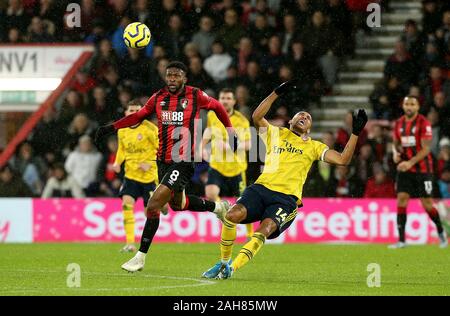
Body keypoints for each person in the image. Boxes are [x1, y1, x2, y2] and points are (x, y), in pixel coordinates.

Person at [202, 80, 368, 279]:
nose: (304, 116)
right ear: (290, 121)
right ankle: (223, 262)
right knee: (231, 216)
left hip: (285, 199)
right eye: (300, 115)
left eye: (308, 117)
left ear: (309, 128)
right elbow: (257, 117)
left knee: (264, 229)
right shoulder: (277, 133)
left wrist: (356, 134)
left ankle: (232, 269)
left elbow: (343, 159)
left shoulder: (314, 146)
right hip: (260, 189)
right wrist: (276, 92)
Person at [95, 61, 237, 272]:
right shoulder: (158, 98)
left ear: (184, 78)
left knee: (152, 206)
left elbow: (217, 107)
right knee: (178, 205)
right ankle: (218, 207)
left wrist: (230, 130)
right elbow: (138, 115)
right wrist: (112, 127)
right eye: (169, 75)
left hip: (184, 160)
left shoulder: (196, 95)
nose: (172, 79)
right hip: (162, 161)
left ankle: (140, 257)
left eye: (176, 75)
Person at [390, 96, 448, 249]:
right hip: (405, 169)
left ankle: (441, 233)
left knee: (427, 204)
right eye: (407, 104)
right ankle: (401, 240)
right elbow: (395, 144)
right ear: (403, 106)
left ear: (417, 107)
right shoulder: (399, 123)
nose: (409, 106)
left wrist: (410, 162)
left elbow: (426, 149)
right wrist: (395, 153)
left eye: (412, 104)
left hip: (423, 170)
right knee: (401, 199)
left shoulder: (424, 123)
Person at [202, 88, 254, 240]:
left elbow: (249, 144)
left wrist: (231, 146)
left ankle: (250, 233)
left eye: (228, 98)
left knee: (243, 203)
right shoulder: (212, 115)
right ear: (219, 99)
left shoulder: (242, 121)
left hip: (236, 168)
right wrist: (202, 146)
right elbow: (208, 131)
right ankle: (225, 213)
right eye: (222, 97)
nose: (225, 100)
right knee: (211, 194)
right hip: (217, 164)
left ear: (234, 101)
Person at [112, 99, 161, 253]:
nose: (134, 113)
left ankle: (164, 203)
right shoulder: (122, 130)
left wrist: (149, 163)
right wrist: (117, 162)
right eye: (131, 110)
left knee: (150, 212)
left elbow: (161, 151)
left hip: (149, 177)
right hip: (131, 175)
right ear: (126, 113)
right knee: (126, 205)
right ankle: (130, 244)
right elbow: (122, 150)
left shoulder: (150, 129)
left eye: (137, 110)